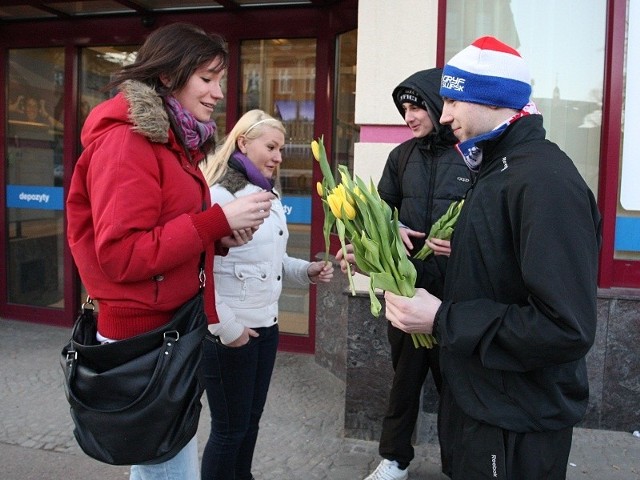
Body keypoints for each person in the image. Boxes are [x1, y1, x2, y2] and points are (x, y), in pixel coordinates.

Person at [383, 36, 602, 479]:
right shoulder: (498, 168)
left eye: (451, 101)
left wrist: (442, 319)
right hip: (486, 408)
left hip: (516, 421)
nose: (444, 116)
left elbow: (565, 327)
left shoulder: (543, 181)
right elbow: (501, 277)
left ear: (489, 99)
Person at [66, 23, 274, 480]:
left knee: (162, 464)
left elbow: (161, 234)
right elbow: (121, 254)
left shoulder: (172, 142)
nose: (218, 92)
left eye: (220, 79)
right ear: (168, 77)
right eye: (207, 78)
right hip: (143, 340)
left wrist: (216, 240)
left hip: (168, 330)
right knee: (167, 469)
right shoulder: (129, 141)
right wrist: (217, 222)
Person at [199, 109, 334, 480]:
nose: (278, 156)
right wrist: (228, 329)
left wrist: (305, 270)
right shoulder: (219, 194)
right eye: (271, 147)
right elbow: (200, 270)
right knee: (228, 431)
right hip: (230, 334)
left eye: (281, 149)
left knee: (250, 424)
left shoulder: (267, 192)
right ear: (243, 142)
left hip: (265, 327)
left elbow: (273, 260)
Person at [362, 68, 471, 480]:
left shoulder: (469, 154)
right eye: (403, 108)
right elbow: (379, 213)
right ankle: (394, 459)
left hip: (455, 297)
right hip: (407, 291)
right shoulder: (400, 157)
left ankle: (459, 464)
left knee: (456, 389)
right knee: (403, 385)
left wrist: (461, 243)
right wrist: (391, 233)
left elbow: (487, 221)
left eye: (416, 106)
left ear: (438, 104)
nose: (408, 116)